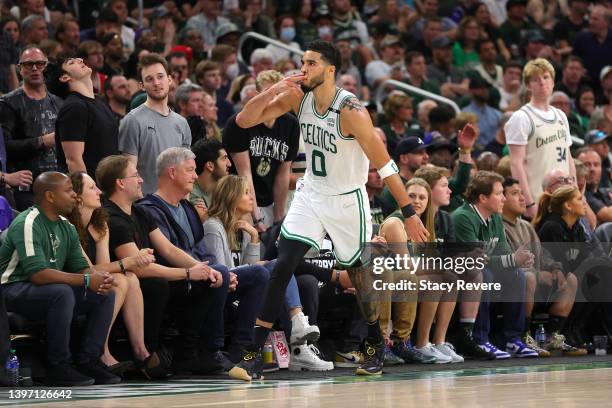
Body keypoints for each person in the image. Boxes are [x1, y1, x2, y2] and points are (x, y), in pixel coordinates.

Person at [227, 40, 428, 381]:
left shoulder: (352, 112)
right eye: (302, 62)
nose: (303, 69)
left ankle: (376, 342)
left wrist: (409, 213)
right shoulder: (296, 96)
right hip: (311, 193)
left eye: (312, 64)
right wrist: (273, 88)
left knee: (360, 275)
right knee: (283, 263)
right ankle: (252, 357)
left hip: (348, 199)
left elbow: (387, 166)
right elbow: (244, 121)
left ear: (331, 70)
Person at [97, 155, 225, 374]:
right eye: (135, 175)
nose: (140, 180)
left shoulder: (139, 211)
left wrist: (203, 269)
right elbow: (138, 267)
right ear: (120, 183)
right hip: (128, 283)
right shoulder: (112, 218)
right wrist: (187, 273)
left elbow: (168, 249)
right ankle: (146, 353)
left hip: (145, 279)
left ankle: (187, 354)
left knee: (208, 279)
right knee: (157, 285)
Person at [0, 172, 118, 386]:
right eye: (68, 190)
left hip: (44, 290)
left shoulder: (66, 225)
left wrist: (98, 278)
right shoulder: (27, 222)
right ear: (50, 196)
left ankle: (88, 360)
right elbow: (38, 274)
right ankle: (58, 366)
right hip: (11, 289)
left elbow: (81, 268)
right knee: (61, 292)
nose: (75, 196)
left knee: (106, 293)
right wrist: (86, 281)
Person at [202, 174, 331, 370]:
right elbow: (224, 274)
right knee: (278, 266)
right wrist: (258, 266)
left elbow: (252, 275)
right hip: (220, 292)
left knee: (279, 270)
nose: (251, 198)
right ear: (231, 196)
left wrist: (254, 239)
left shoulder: (242, 228)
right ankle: (298, 335)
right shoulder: (213, 226)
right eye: (245, 193)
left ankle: (299, 341)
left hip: (241, 290)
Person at [65, 171, 170, 378]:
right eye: (92, 188)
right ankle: (99, 351)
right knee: (123, 277)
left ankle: (141, 351)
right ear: (76, 196)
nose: (99, 192)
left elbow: (103, 266)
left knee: (129, 278)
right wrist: (129, 261)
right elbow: (90, 271)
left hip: (93, 281)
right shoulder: (68, 225)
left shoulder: (99, 222)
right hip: (72, 281)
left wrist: (102, 240)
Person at [452, 170, 539, 359]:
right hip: (459, 272)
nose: (504, 199)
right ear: (483, 198)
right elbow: (476, 260)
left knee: (516, 273)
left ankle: (512, 338)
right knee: (485, 273)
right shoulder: (463, 218)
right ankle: (480, 339)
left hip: (482, 269)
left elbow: (504, 256)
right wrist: (511, 260)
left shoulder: (495, 217)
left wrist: (517, 260)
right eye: (499, 194)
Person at [501, 177, 585, 357]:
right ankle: (523, 336)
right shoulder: (499, 225)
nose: (522, 198)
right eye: (515, 194)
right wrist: (539, 275)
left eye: (522, 193)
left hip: (534, 283)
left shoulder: (526, 226)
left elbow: (543, 254)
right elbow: (510, 263)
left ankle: (554, 337)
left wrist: (556, 268)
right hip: (510, 283)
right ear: (502, 198)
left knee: (570, 279)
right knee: (529, 277)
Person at [223, 70, 300, 231]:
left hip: (270, 201)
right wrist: (256, 218)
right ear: (256, 95)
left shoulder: (291, 124)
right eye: (268, 93)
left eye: (278, 94)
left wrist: (278, 217)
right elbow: (245, 173)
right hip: (240, 203)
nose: (273, 99)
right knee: (251, 252)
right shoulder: (240, 123)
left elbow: (283, 173)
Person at [506, 58, 577, 219]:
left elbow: (568, 157)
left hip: (564, 198)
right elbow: (517, 164)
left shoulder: (560, 115)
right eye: (535, 79)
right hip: (539, 200)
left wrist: (575, 191)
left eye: (545, 77)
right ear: (528, 85)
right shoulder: (521, 117)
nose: (542, 82)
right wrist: (529, 203)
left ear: (553, 82)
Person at [118, 53, 191, 195]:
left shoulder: (182, 123)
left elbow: (186, 171)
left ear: (169, 79)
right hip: (147, 206)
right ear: (142, 86)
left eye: (160, 76)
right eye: (149, 79)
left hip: (178, 206)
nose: (156, 83)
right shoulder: (132, 120)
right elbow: (129, 173)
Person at [0, 46, 61, 211]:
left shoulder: (60, 102)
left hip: (59, 183)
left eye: (40, 64)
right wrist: (41, 141)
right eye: (28, 64)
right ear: (19, 69)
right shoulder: (8, 103)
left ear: (47, 67)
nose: (34, 68)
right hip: (27, 186)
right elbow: (4, 147)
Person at [49, 54, 119, 177]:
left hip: (110, 183)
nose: (80, 59)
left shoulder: (100, 101)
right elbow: (73, 160)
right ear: (65, 77)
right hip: (93, 188)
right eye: (71, 63)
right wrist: (89, 192)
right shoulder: (74, 108)